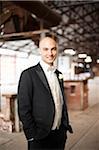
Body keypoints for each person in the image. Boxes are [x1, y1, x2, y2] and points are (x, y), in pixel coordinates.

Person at [17, 36, 73, 150]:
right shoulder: (28, 75)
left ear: (57, 50)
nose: (50, 53)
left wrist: (64, 127)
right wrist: (31, 135)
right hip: (39, 137)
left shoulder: (58, 74)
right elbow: (23, 108)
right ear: (39, 50)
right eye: (46, 49)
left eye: (53, 49)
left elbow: (61, 102)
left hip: (59, 135)